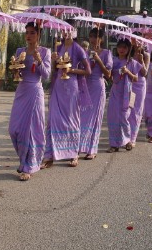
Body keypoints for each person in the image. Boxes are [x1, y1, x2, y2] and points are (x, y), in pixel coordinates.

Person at [42, 29, 91, 168]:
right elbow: (55, 69)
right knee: (53, 119)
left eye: (69, 30)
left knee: (72, 120)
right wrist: (53, 60)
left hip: (71, 87)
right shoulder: (58, 46)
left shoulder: (79, 49)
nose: (65, 33)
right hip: (58, 86)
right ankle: (49, 155)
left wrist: (72, 70)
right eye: (63, 30)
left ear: (74, 32)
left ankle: (73, 153)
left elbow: (88, 71)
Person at [8, 22, 51, 181]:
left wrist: (39, 60)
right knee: (14, 129)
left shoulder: (45, 52)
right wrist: (14, 69)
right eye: (27, 32)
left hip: (35, 90)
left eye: (32, 32)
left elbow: (46, 75)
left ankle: (29, 166)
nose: (29, 35)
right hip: (22, 90)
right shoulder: (20, 51)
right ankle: (23, 160)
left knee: (31, 130)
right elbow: (15, 70)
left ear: (38, 34)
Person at [79, 27, 112, 159]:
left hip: (98, 86)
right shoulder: (85, 52)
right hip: (85, 86)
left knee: (95, 118)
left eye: (96, 36)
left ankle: (92, 149)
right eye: (91, 36)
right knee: (82, 117)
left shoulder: (106, 53)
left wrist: (98, 60)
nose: (93, 39)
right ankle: (80, 146)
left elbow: (108, 74)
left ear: (101, 39)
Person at [106, 38, 141, 152]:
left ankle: (128, 141)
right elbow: (109, 76)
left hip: (128, 93)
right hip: (115, 92)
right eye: (120, 47)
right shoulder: (113, 61)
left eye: (124, 47)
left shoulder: (132, 62)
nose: (121, 49)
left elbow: (136, 78)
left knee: (125, 117)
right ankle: (114, 144)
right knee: (113, 117)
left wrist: (127, 72)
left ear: (128, 49)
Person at [127, 38, 149, 147]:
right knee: (129, 110)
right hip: (130, 84)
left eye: (139, 42)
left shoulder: (146, 55)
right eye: (135, 41)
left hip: (140, 85)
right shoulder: (129, 53)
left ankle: (133, 138)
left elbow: (145, 73)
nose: (137, 43)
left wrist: (141, 62)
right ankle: (126, 136)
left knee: (137, 111)